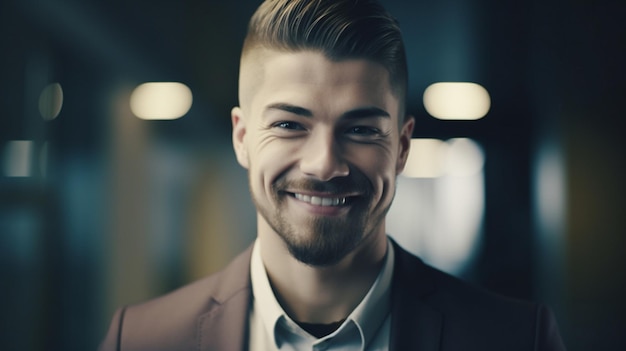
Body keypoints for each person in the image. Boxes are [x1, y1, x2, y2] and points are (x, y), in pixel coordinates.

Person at [99, 0, 566, 350]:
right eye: (289, 125)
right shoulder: (141, 341)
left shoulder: (518, 340)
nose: (324, 164)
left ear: (401, 147)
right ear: (242, 137)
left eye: (361, 129)